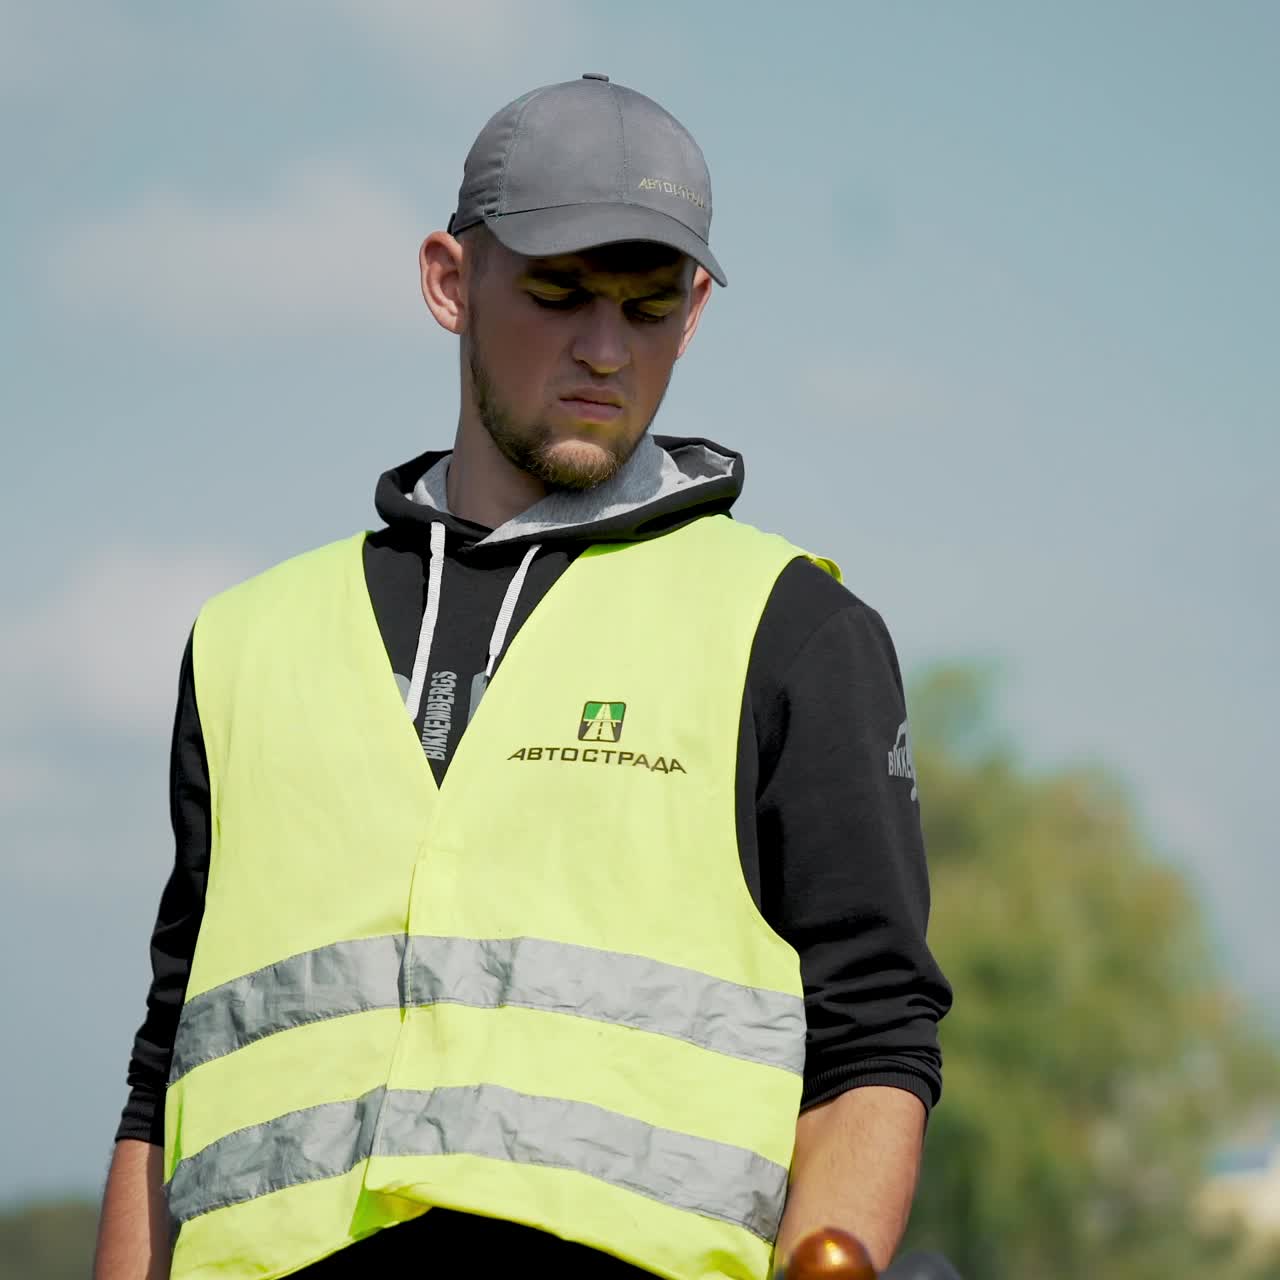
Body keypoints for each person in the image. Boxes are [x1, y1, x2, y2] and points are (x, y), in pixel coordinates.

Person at [94, 74, 952, 1280]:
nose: (605, 347)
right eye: (558, 293)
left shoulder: (793, 630)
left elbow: (872, 1033)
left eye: (649, 306)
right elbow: (168, 1063)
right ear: (450, 281)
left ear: (694, 310)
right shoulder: (246, 642)